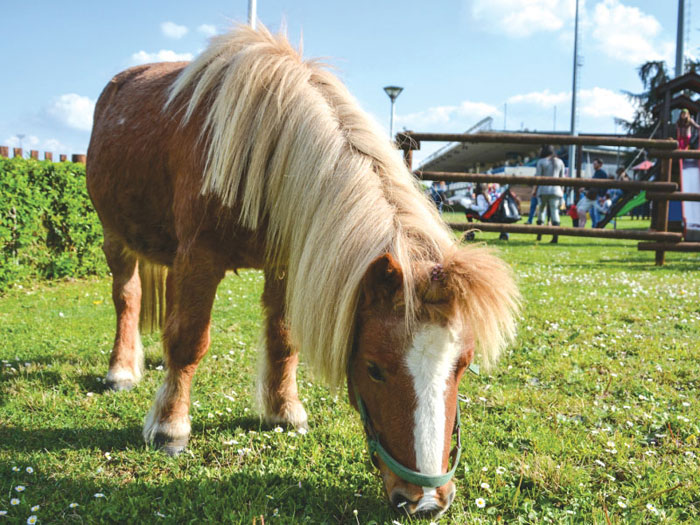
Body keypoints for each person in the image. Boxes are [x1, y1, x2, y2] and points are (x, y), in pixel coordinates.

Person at [533, 145, 564, 243]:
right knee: (555, 211)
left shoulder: (541, 162)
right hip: (556, 190)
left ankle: (539, 235)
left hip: (543, 190)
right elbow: (562, 179)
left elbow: (538, 178)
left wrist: (534, 190)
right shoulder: (560, 162)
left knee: (541, 210)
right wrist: (562, 191)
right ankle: (555, 236)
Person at [576, 158, 608, 228]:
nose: (593, 165)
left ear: (600, 165)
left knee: (595, 213)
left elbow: (602, 186)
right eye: (593, 164)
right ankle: (595, 226)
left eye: (595, 164)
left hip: (597, 195)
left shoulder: (601, 173)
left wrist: (602, 196)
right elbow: (592, 185)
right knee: (593, 213)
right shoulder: (597, 173)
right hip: (594, 195)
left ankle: (597, 227)